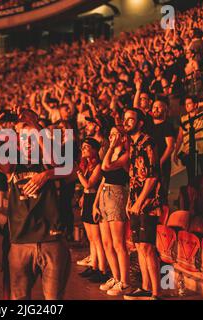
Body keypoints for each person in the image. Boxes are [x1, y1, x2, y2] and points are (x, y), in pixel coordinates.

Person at [0, 107, 71, 300]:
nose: (28, 143)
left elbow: (65, 166)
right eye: (23, 139)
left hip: (51, 241)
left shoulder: (49, 161)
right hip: (21, 242)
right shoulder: (15, 164)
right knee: (19, 299)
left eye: (31, 138)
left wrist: (34, 125)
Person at [122, 108, 162, 300]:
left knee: (147, 247)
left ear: (140, 123)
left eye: (131, 119)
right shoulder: (133, 144)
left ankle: (156, 292)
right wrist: (130, 201)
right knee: (139, 247)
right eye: (125, 119)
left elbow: (152, 176)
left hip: (148, 204)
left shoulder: (148, 142)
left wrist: (139, 202)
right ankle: (145, 287)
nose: (126, 122)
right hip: (135, 203)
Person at [94, 127, 131, 296]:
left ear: (123, 138)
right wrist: (95, 203)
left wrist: (111, 147)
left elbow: (107, 166)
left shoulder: (126, 154)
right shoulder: (110, 153)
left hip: (117, 194)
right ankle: (115, 277)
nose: (111, 136)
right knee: (106, 242)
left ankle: (125, 281)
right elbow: (103, 177)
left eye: (116, 134)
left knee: (118, 243)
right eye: (111, 133)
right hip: (103, 195)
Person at [76, 138, 108, 284]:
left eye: (87, 147)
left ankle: (103, 269)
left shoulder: (98, 166)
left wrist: (78, 174)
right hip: (87, 199)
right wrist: (82, 196)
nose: (84, 149)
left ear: (95, 150)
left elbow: (88, 184)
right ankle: (94, 265)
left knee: (97, 238)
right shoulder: (87, 166)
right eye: (83, 147)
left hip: (95, 199)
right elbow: (85, 188)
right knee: (90, 238)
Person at [173, 96, 203, 185]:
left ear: (195, 105)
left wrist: (198, 104)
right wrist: (175, 153)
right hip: (189, 151)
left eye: (189, 103)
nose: (187, 106)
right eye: (186, 104)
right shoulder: (183, 119)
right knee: (191, 177)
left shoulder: (202, 115)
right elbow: (180, 137)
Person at [151, 99, 176, 204]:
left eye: (159, 106)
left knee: (161, 193)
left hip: (162, 165)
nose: (156, 109)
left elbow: (170, 147)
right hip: (150, 164)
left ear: (165, 109)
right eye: (154, 107)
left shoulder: (167, 126)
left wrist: (160, 162)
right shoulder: (148, 125)